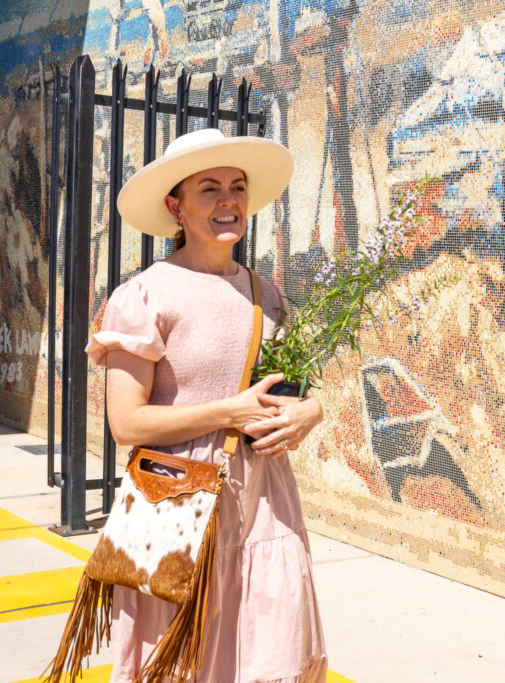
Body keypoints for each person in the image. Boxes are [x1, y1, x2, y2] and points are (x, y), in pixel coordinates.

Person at [85, 128, 328, 682]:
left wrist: (311, 412)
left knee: (268, 653)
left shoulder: (268, 295)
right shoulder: (145, 295)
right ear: (177, 206)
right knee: (179, 660)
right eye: (209, 189)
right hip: (178, 503)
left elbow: (291, 391)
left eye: (237, 187)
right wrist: (229, 412)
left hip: (266, 504)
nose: (228, 201)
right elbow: (126, 422)